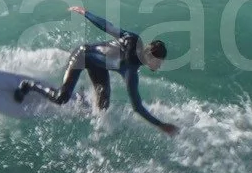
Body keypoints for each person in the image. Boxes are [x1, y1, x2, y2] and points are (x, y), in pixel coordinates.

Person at [14, 7, 177, 134]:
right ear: (151, 57)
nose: (159, 66)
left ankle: (80, 99)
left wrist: (86, 12)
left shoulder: (133, 57)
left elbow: (108, 27)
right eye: (159, 62)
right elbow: (137, 107)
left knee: (103, 107)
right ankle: (29, 85)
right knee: (61, 98)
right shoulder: (131, 63)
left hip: (98, 66)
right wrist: (160, 125)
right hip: (81, 55)